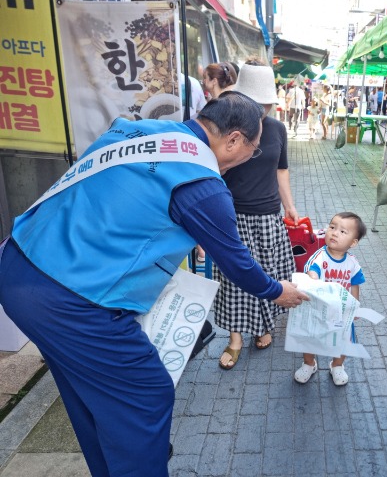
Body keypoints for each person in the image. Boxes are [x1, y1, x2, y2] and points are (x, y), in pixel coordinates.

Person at [0, 91, 309, 477]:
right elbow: (238, 263)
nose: (252, 156)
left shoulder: (139, 130)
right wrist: (278, 292)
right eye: (253, 148)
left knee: (87, 389)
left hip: (18, 263)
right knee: (145, 393)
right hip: (70, 300)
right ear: (233, 139)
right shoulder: (202, 182)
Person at [213, 60, 300, 370]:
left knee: (266, 274)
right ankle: (235, 338)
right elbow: (214, 173)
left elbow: (282, 169)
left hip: (268, 216)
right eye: (257, 103)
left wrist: (289, 204)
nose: (262, 110)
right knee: (233, 279)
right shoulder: (227, 130)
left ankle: (262, 327)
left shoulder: (277, 128)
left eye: (267, 104)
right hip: (232, 216)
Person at [294, 212, 367, 386]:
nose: (334, 233)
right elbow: (312, 271)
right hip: (319, 309)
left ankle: (337, 365)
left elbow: (355, 284)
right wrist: (312, 276)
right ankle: (309, 363)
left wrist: (354, 307)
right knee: (310, 338)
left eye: (343, 231)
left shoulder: (352, 263)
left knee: (342, 340)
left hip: (341, 311)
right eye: (332, 227)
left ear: (353, 242)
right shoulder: (320, 256)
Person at [196, 62, 238, 262]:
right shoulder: (230, 102)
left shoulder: (217, 107)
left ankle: (205, 248)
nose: (203, 82)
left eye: (205, 78)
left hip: (220, 174)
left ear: (213, 81)